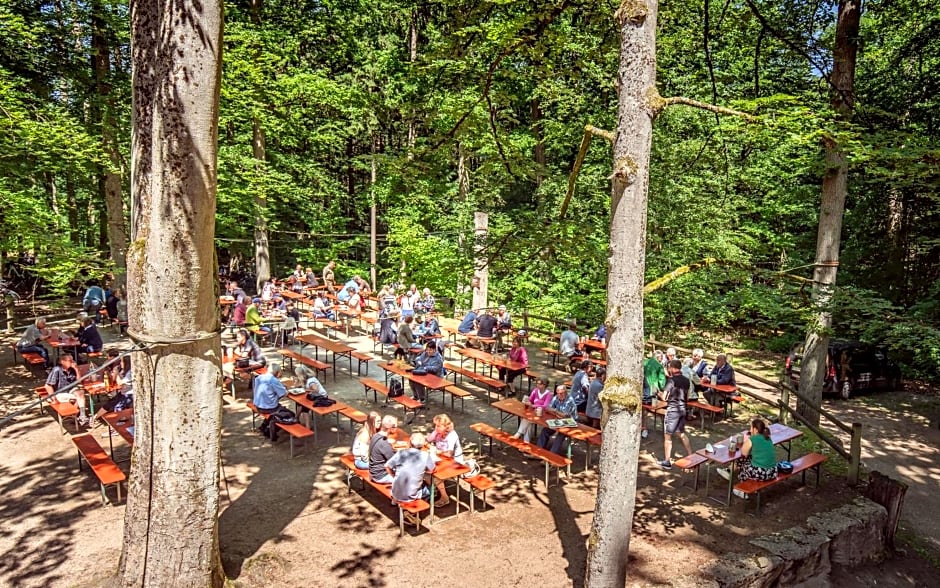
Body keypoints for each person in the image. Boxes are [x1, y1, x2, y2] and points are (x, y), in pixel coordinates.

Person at [718, 419, 777, 499]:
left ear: (755, 429)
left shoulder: (753, 439)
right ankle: (729, 471)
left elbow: (744, 452)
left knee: (743, 465)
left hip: (762, 473)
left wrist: (749, 440)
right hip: (773, 471)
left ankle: (742, 490)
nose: (750, 430)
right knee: (746, 460)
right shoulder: (767, 438)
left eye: (751, 428)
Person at [385, 432, 436, 513]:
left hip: (395, 492)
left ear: (410, 442)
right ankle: (413, 513)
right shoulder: (425, 455)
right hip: (411, 495)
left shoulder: (401, 453)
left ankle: (396, 502)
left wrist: (394, 475)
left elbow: (387, 466)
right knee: (432, 489)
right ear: (422, 445)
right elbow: (432, 470)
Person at [658, 360, 694, 469]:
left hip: (673, 410)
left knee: (668, 435)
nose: (668, 370)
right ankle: (691, 456)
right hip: (683, 409)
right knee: (681, 433)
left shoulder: (671, 381)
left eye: (669, 368)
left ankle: (667, 461)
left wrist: (659, 393)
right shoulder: (687, 380)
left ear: (673, 368)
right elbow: (687, 396)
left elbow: (664, 397)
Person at [426, 413, 463, 505]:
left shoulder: (452, 436)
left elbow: (448, 454)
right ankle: (433, 489)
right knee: (426, 470)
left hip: (455, 462)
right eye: (435, 425)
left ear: (446, 427)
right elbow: (428, 440)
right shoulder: (438, 432)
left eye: (438, 426)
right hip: (441, 459)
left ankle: (444, 497)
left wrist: (436, 452)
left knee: (434, 475)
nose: (436, 427)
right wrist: (435, 432)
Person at [45, 354, 88, 426]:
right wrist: (54, 399)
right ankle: (75, 416)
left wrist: (77, 370)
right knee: (80, 398)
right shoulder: (57, 370)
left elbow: (79, 382)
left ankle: (81, 416)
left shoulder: (72, 369)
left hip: (70, 390)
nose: (73, 362)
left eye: (73, 360)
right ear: (62, 362)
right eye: (70, 361)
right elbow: (48, 386)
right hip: (60, 392)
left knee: (81, 394)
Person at [537, 384, 578, 455]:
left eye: (561, 393)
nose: (559, 395)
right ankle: (538, 452)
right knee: (545, 430)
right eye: (558, 393)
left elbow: (565, 415)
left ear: (565, 392)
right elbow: (547, 408)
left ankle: (551, 456)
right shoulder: (556, 397)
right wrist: (556, 412)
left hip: (570, 422)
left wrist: (555, 411)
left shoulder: (570, 400)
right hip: (558, 420)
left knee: (561, 434)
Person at [253, 363, 289, 440]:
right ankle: (270, 430)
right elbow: (284, 393)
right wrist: (285, 388)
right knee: (289, 414)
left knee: (278, 410)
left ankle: (263, 426)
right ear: (277, 372)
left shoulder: (259, 377)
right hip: (269, 407)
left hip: (257, 404)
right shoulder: (273, 380)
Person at [513, 377, 552, 442]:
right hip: (533, 411)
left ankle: (519, 433)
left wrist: (534, 405)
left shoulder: (548, 394)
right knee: (529, 423)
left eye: (539, 384)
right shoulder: (535, 390)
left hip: (542, 414)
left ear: (544, 385)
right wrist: (527, 401)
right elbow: (531, 399)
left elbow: (545, 406)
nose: (537, 385)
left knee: (527, 419)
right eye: (537, 383)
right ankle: (526, 442)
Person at [641, 350, 666, 439]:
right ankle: (645, 429)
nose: (661, 360)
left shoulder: (644, 362)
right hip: (652, 390)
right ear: (659, 357)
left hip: (641, 388)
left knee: (642, 409)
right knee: (651, 408)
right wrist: (662, 390)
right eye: (661, 358)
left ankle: (642, 428)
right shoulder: (659, 366)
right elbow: (662, 381)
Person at [369, 415, 399, 483]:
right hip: (381, 476)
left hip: (373, 471)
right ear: (391, 428)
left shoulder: (376, 435)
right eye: (395, 427)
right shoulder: (384, 443)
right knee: (407, 479)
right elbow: (394, 461)